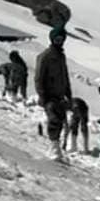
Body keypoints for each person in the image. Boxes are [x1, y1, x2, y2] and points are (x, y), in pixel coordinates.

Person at [35, 26, 72, 161]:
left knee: (60, 121)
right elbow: (39, 78)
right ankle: (54, 148)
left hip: (60, 96)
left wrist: (68, 94)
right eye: (57, 39)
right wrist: (42, 96)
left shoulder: (61, 56)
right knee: (54, 120)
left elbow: (65, 76)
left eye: (61, 39)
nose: (59, 42)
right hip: (49, 95)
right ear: (52, 39)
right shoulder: (45, 56)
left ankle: (53, 143)